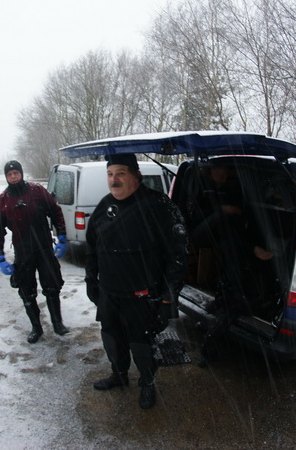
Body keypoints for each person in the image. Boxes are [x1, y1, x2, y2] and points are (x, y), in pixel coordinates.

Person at [85, 153, 187, 409]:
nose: (114, 180)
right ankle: (119, 375)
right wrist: (90, 278)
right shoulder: (104, 207)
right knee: (111, 337)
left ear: (136, 175)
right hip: (110, 293)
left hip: (143, 294)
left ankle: (147, 383)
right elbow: (91, 247)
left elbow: (178, 254)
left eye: (121, 173)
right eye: (110, 174)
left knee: (141, 344)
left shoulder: (158, 205)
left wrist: (168, 296)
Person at [0, 160, 69, 344]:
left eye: (16, 173)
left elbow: (55, 211)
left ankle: (58, 323)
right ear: (6, 177)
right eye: (9, 174)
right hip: (23, 252)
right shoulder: (3, 200)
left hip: (44, 248)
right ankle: (36, 327)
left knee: (52, 286)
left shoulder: (37, 191)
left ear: (21, 173)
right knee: (27, 291)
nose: (13, 176)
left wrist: (62, 236)